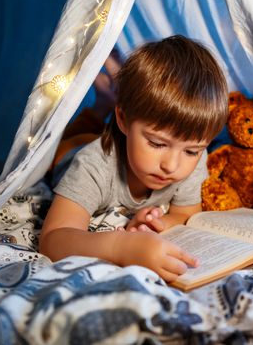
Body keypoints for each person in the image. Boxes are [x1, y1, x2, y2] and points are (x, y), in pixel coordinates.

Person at [40, 35, 228, 282]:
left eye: (192, 151)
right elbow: (53, 239)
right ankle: (104, 103)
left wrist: (156, 225)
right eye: (157, 143)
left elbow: (186, 214)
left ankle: (113, 92)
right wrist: (121, 246)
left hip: (119, 136)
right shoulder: (92, 165)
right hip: (72, 150)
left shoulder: (193, 161)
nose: (171, 166)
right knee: (71, 138)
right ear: (124, 120)